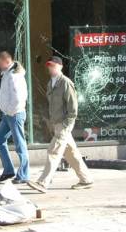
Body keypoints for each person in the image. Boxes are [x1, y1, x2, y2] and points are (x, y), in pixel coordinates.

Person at [27, 56, 93, 193]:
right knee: (71, 153)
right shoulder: (50, 83)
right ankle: (86, 179)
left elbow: (73, 109)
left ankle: (43, 182)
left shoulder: (65, 83)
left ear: (60, 67)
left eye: (53, 65)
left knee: (54, 151)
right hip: (56, 124)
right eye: (49, 66)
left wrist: (66, 125)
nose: (51, 68)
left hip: (64, 125)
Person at [0, 50, 30, 184]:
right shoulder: (7, 74)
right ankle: (9, 170)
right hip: (8, 115)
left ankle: (24, 175)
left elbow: (19, 98)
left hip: (15, 114)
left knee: (20, 145)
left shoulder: (14, 75)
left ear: (6, 61)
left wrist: (10, 110)